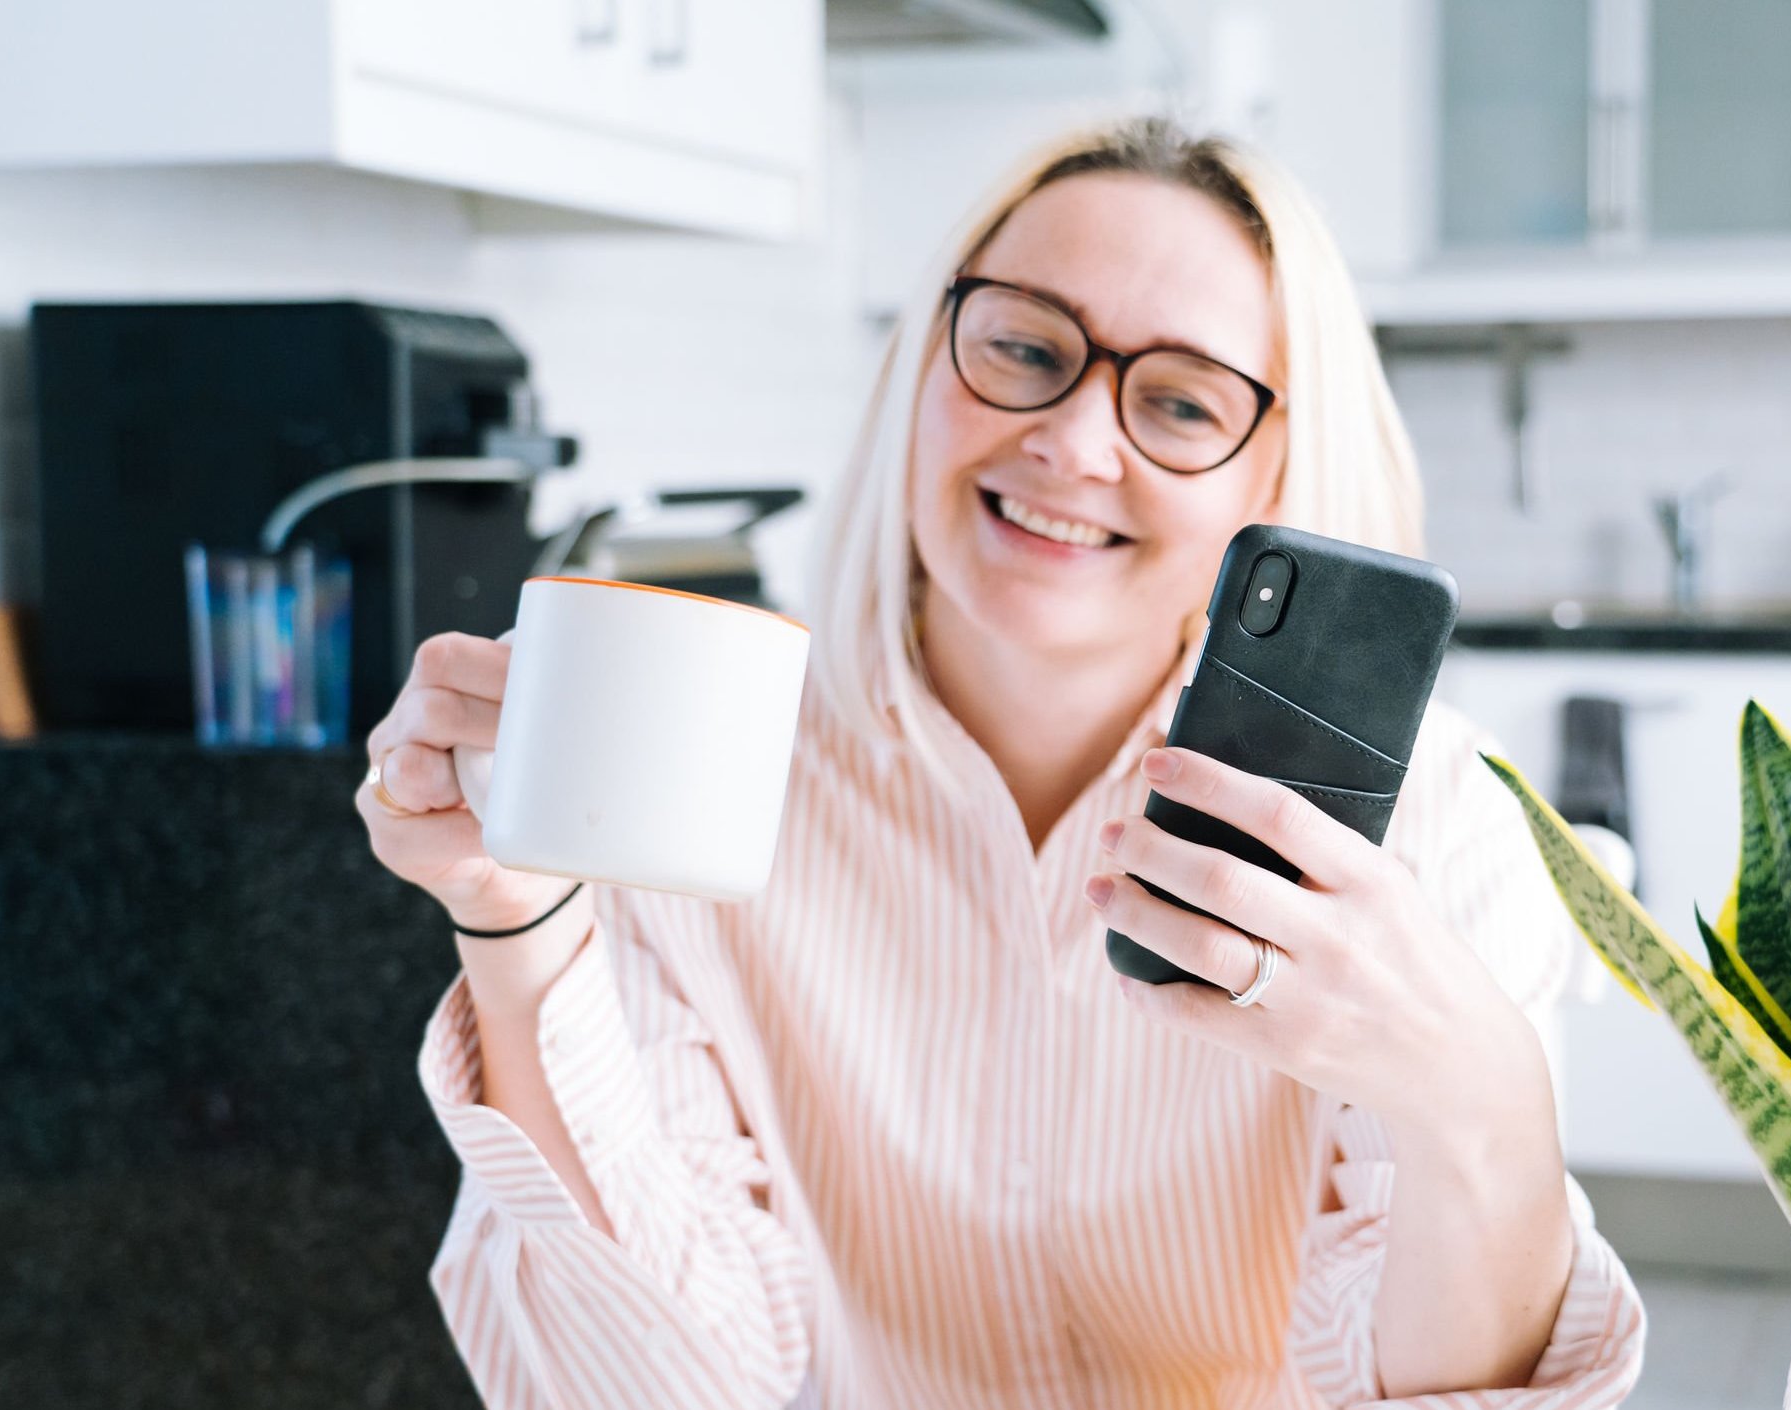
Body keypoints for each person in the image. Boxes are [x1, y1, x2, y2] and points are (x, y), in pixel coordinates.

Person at [356, 114, 1645, 1409]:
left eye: (1182, 401)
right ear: (922, 366)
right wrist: (514, 918)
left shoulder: (1428, 825)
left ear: (1276, 470)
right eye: (1024, 347)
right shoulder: (702, 786)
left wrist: (1478, 1101)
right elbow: (664, 1387)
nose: (1077, 444)